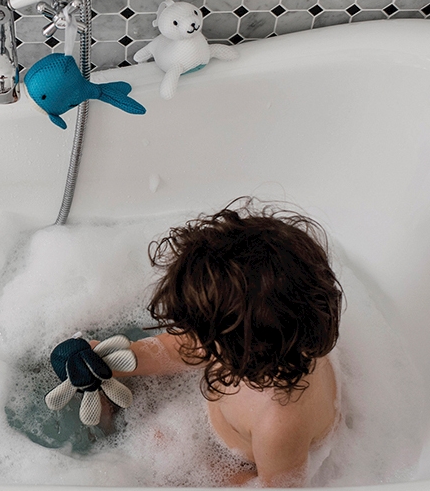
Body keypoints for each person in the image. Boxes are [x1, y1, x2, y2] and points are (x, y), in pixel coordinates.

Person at [116, 198, 341, 487]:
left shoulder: (278, 424)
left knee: (157, 445)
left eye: (201, 331)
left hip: (243, 462)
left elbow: (275, 487)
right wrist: (115, 360)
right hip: (219, 416)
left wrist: (197, 465)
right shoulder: (268, 331)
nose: (190, 335)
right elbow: (186, 346)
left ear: (237, 352)